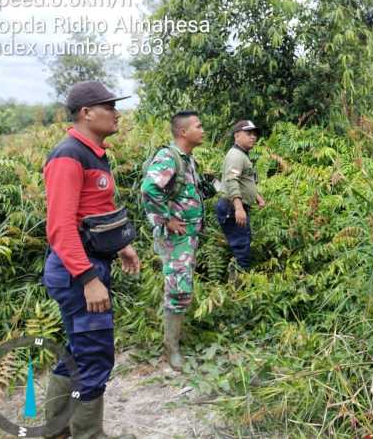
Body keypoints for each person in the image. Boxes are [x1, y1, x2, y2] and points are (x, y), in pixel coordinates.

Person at [42, 81, 140, 439]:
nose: (116, 113)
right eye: (109, 106)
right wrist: (88, 279)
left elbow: (95, 212)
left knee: (78, 351)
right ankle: (87, 433)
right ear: (86, 113)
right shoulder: (68, 155)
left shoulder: (95, 153)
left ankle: (57, 429)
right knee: (95, 358)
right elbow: (60, 227)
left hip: (90, 263)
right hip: (77, 272)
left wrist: (120, 246)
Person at [140, 111, 206, 371]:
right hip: (175, 237)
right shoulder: (168, 157)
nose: (203, 130)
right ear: (183, 132)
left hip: (187, 236)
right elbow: (149, 188)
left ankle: (175, 340)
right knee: (178, 289)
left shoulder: (186, 159)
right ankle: (172, 350)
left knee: (180, 285)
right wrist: (166, 219)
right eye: (198, 126)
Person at [216, 120, 266, 280]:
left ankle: (238, 283)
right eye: (248, 133)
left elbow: (244, 180)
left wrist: (257, 196)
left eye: (254, 134)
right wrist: (238, 207)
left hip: (236, 206)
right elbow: (231, 180)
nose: (253, 137)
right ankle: (239, 290)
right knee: (242, 249)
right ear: (237, 135)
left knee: (243, 245)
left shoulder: (242, 155)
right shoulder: (236, 155)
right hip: (232, 207)